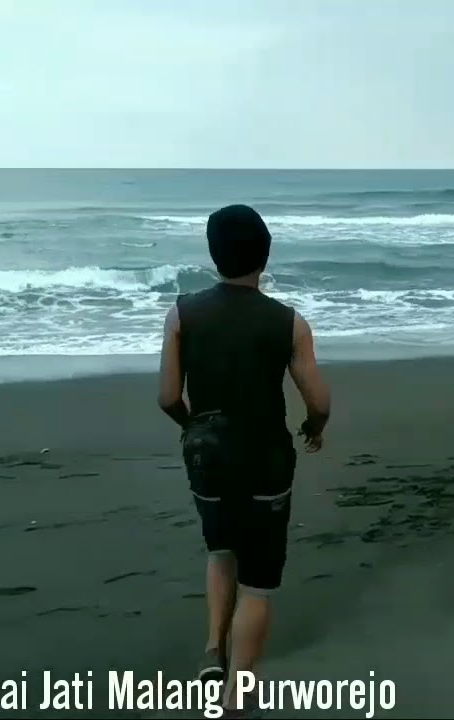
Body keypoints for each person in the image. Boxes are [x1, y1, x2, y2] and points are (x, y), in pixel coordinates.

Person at [156, 204, 332, 709]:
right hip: (266, 458)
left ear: (213, 256)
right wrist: (313, 428)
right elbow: (318, 401)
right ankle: (237, 694)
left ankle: (213, 648)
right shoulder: (288, 323)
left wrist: (193, 425)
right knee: (258, 581)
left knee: (220, 548)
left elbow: (168, 396)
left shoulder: (182, 313)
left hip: (206, 453)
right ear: (265, 254)